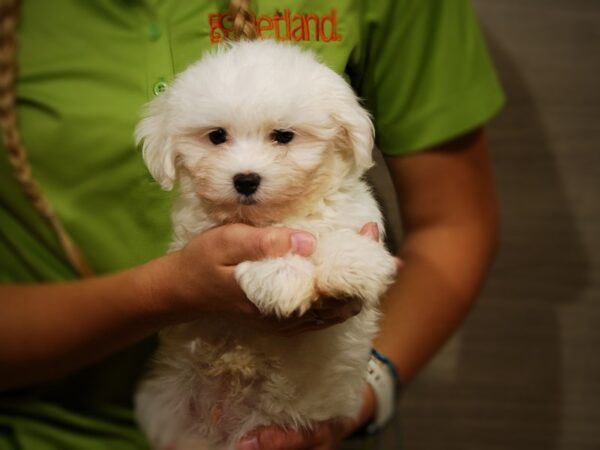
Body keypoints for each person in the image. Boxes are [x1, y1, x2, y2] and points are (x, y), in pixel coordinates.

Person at [0, 0, 503, 449]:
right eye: (216, 137)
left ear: (343, 133)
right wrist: (175, 290)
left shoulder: (341, 189)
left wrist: (371, 389)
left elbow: (436, 232)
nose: (246, 169)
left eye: (282, 137)